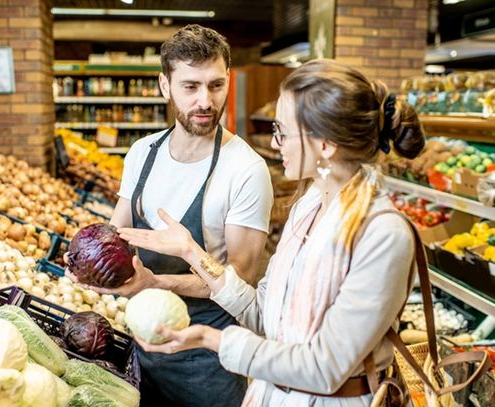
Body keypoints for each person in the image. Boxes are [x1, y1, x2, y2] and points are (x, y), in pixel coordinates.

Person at [117, 59, 426, 406]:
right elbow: (264, 315)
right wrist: (192, 252)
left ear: (324, 143)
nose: (276, 144)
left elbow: (324, 367)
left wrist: (212, 340)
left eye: (282, 131)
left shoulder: (382, 235)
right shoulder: (307, 208)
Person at [70, 24, 273, 406]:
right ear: (165, 85)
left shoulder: (246, 169)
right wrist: (87, 261)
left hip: (207, 360)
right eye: (190, 86)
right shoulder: (142, 153)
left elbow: (239, 281)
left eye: (215, 85)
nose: (205, 101)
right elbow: (118, 230)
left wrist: (153, 283)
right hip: (140, 345)